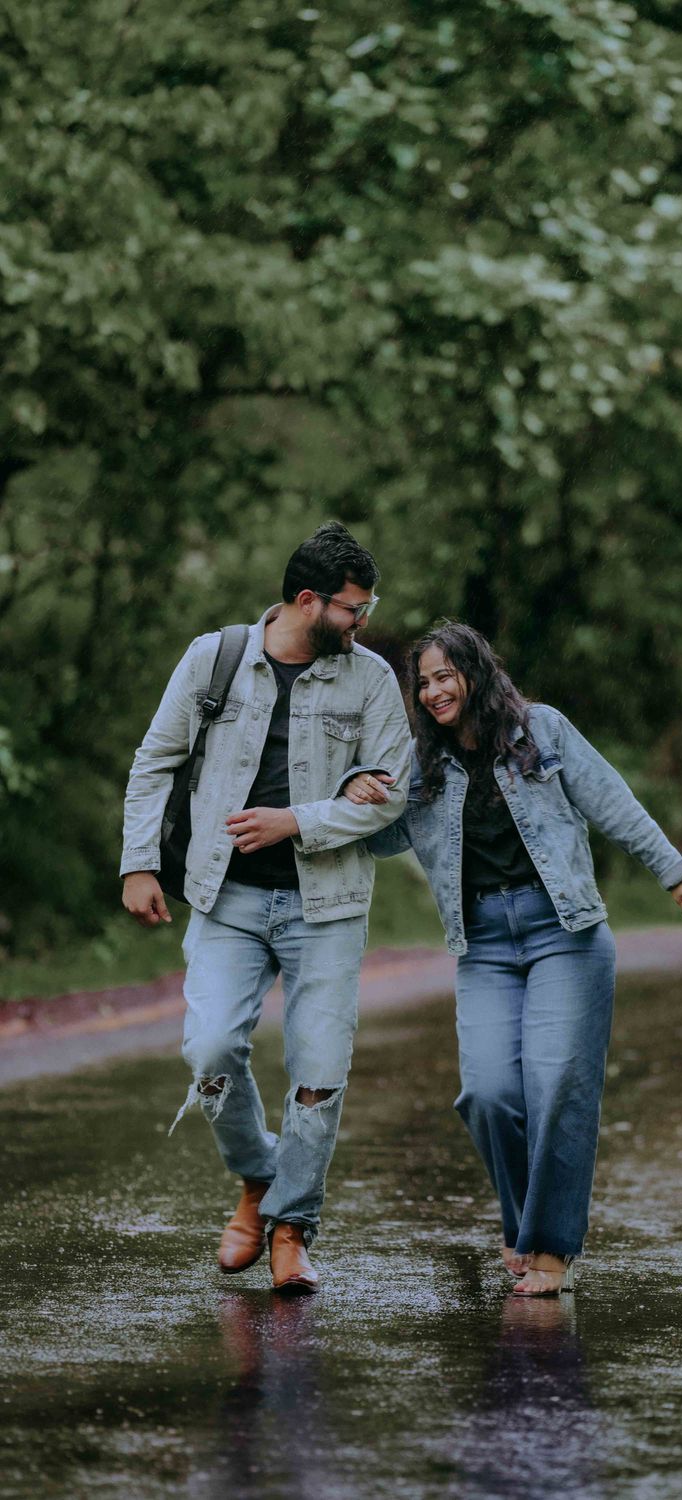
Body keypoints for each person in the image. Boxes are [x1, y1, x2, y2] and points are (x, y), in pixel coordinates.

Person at [344, 622, 682, 1296]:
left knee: (557, 1087)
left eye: (443, 675)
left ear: (475, 673)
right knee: (487, 1093)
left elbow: (612, 801)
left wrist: (674, 873)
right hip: (482, 945)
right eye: (422, 682)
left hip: (563, 933)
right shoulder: (423, 764)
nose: (432, 691)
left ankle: (548, 1249)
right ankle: (524, 1225)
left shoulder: (539, 730)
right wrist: (354, 791)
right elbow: (378, 835)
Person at [120, 523, 411, 1295]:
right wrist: (140, 862)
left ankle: (291, 1227)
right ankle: (258, 1178)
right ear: (308, 600)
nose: (364, 622)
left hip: (330, 903)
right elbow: (157, 759)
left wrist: (302, 819)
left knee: (318, 1073)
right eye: (355, 608)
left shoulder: (372, 679)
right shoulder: (213, 659)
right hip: (228, 897)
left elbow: (393, 791)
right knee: (209, 1052)